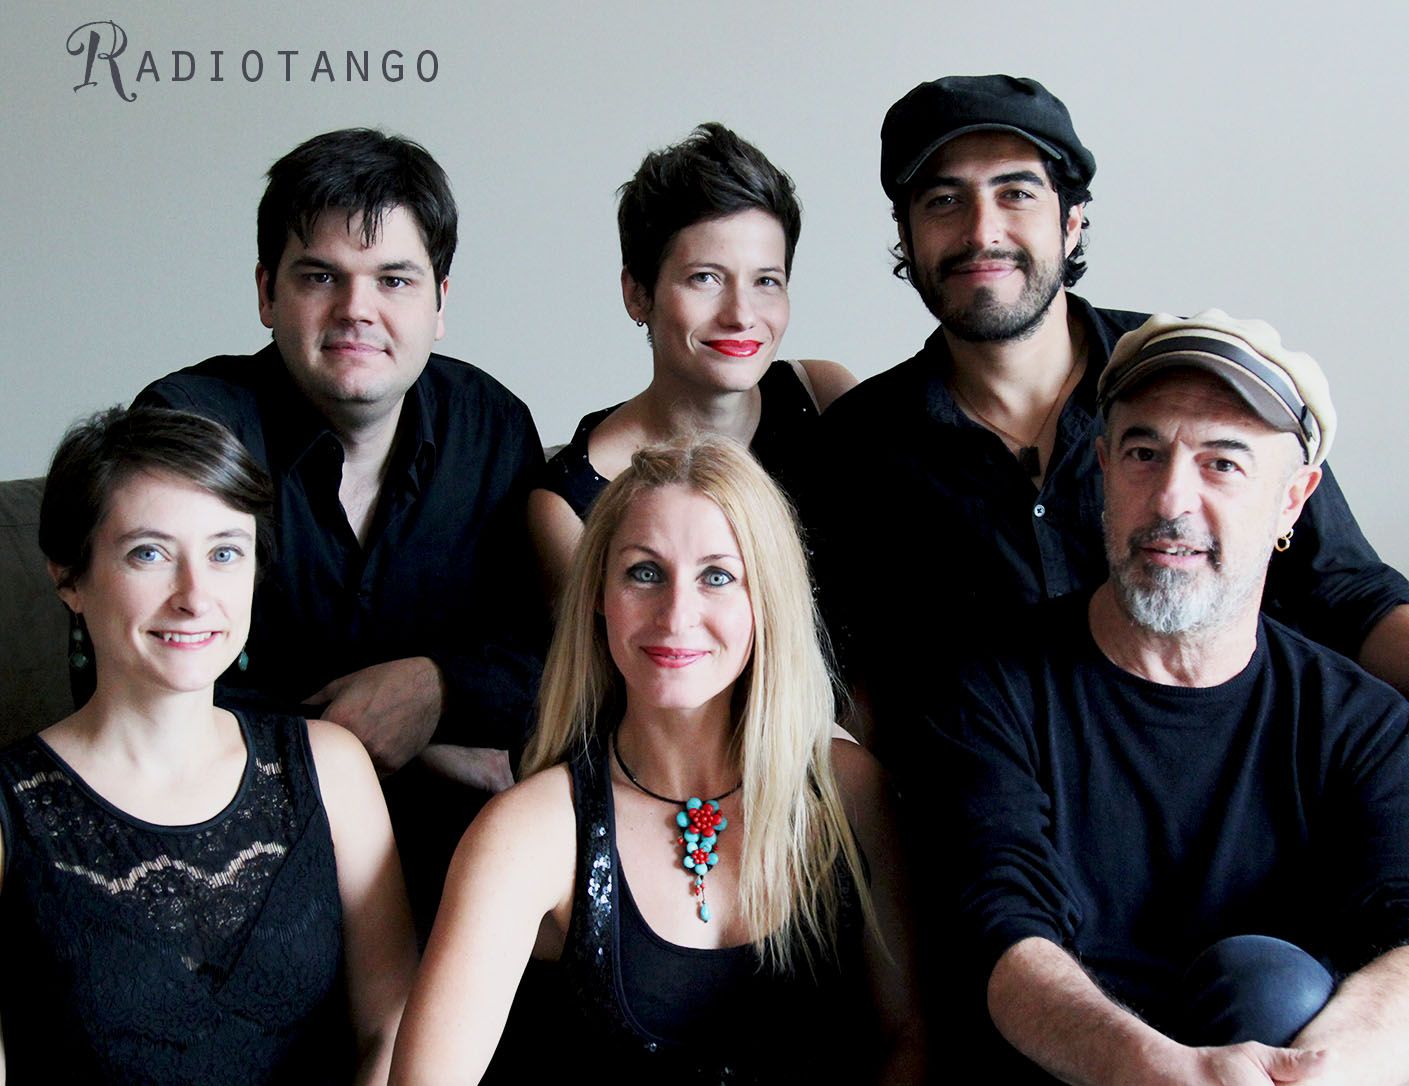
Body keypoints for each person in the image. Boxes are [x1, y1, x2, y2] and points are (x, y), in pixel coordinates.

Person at [804, 75, 1409, 750]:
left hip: (1236, 782)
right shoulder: (854, 446)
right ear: (907, 234)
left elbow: (1354, 597)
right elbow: (845, 684)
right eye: (944, 201)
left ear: (1070, 222)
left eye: (1015, 193)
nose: (981, 232)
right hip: (974, 801)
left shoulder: (1195, 379)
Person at [923, 313, 1409, 1084]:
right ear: (1103, 470)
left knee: (1272, 984)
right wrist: (1160, 1072)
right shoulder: (992, 691)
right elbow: (1000, 933)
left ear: (1292, 501)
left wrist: (1327, 1066)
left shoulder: (1362, 727)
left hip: (1277, 1064)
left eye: (1222, 463)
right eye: (1144, 455)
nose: (1169, 499)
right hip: (1072, 1072)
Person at [391, 437, 923, 1084]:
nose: (676, 615)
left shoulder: (847, 791)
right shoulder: (529, 832)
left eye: (717, 576)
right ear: (599, 592)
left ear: (766, 599)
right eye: (644, 572)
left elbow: (911, 1040)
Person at [134, 128, 546, 932]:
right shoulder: (189, 430)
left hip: (455, 864)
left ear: (439, 303)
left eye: (394, 279)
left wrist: (437, 687)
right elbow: (142, 684)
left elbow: (549, 654)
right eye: (320, 276)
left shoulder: (491, 426)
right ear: (267, 294)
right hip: (235, 859)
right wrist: (391, 747)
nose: (357, 310)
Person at [0, 406, 417, 1083]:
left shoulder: (332, 766)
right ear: (68, 577)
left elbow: (393, 1025)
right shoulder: (8, 809)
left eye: (225, 553)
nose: (195, 597)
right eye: (149, 553)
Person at [528, 122, 855, 601]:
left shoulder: (824, 393)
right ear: (637, 294)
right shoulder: (569, 506)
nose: (741, 315)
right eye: (705, 278)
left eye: (766, 281)